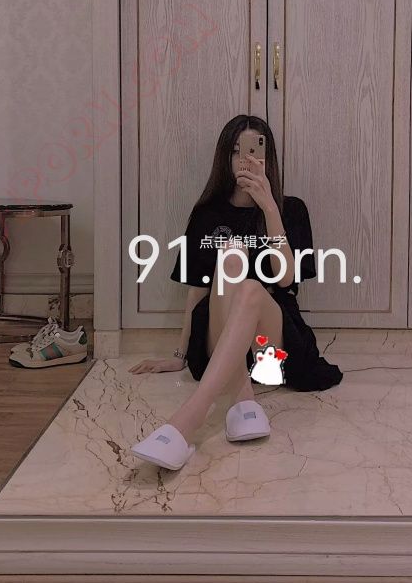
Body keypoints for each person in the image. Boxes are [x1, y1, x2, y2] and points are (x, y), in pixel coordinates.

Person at [129, 114, 343, 470]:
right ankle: (242, 399)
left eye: (255, 151)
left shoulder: (290, 209)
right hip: (220, 332)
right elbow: (198, 289)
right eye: (235, 151)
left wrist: (269, 206)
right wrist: (180, 355)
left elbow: (286, 280)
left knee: (252, 289)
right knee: (231, 254)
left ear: (268, 158)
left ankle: (187, 422)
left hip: (270, 344)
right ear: (224, 158)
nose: (245, 159)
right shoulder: (206, 214)